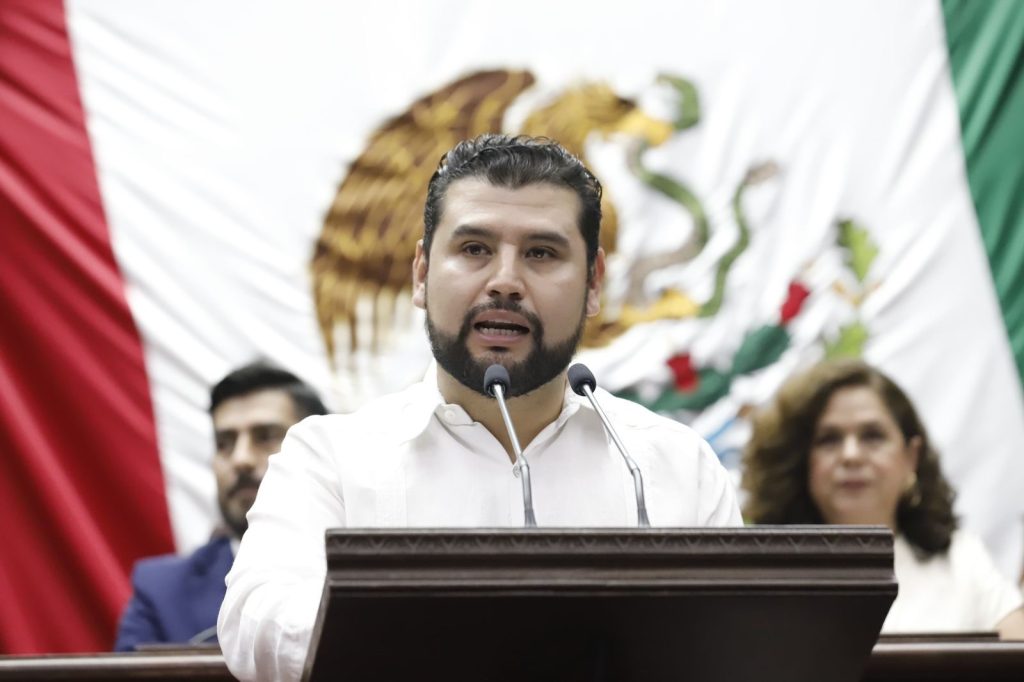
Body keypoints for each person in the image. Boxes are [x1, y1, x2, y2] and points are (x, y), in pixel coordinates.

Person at [218, 134, 742, 681]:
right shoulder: (330, 458)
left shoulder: (673, 465)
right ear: (422, 273)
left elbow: (735, 645)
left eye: (541, 253)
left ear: (593, 284)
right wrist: (448, 641)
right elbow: (257, 624)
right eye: (474, 249)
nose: (505, 282)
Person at [742, 359, 1024, 638]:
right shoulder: (767, 578)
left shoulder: (960, 559)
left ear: (911, 457)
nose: (851, 455)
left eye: (872, 436)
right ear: (801, 462)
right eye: (829, 439)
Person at [114, 362, 328, 651]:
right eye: (224, 443)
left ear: (318, 452)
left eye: (265, 436)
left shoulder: (366, 573)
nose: (240, 459)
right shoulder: (161, 591)